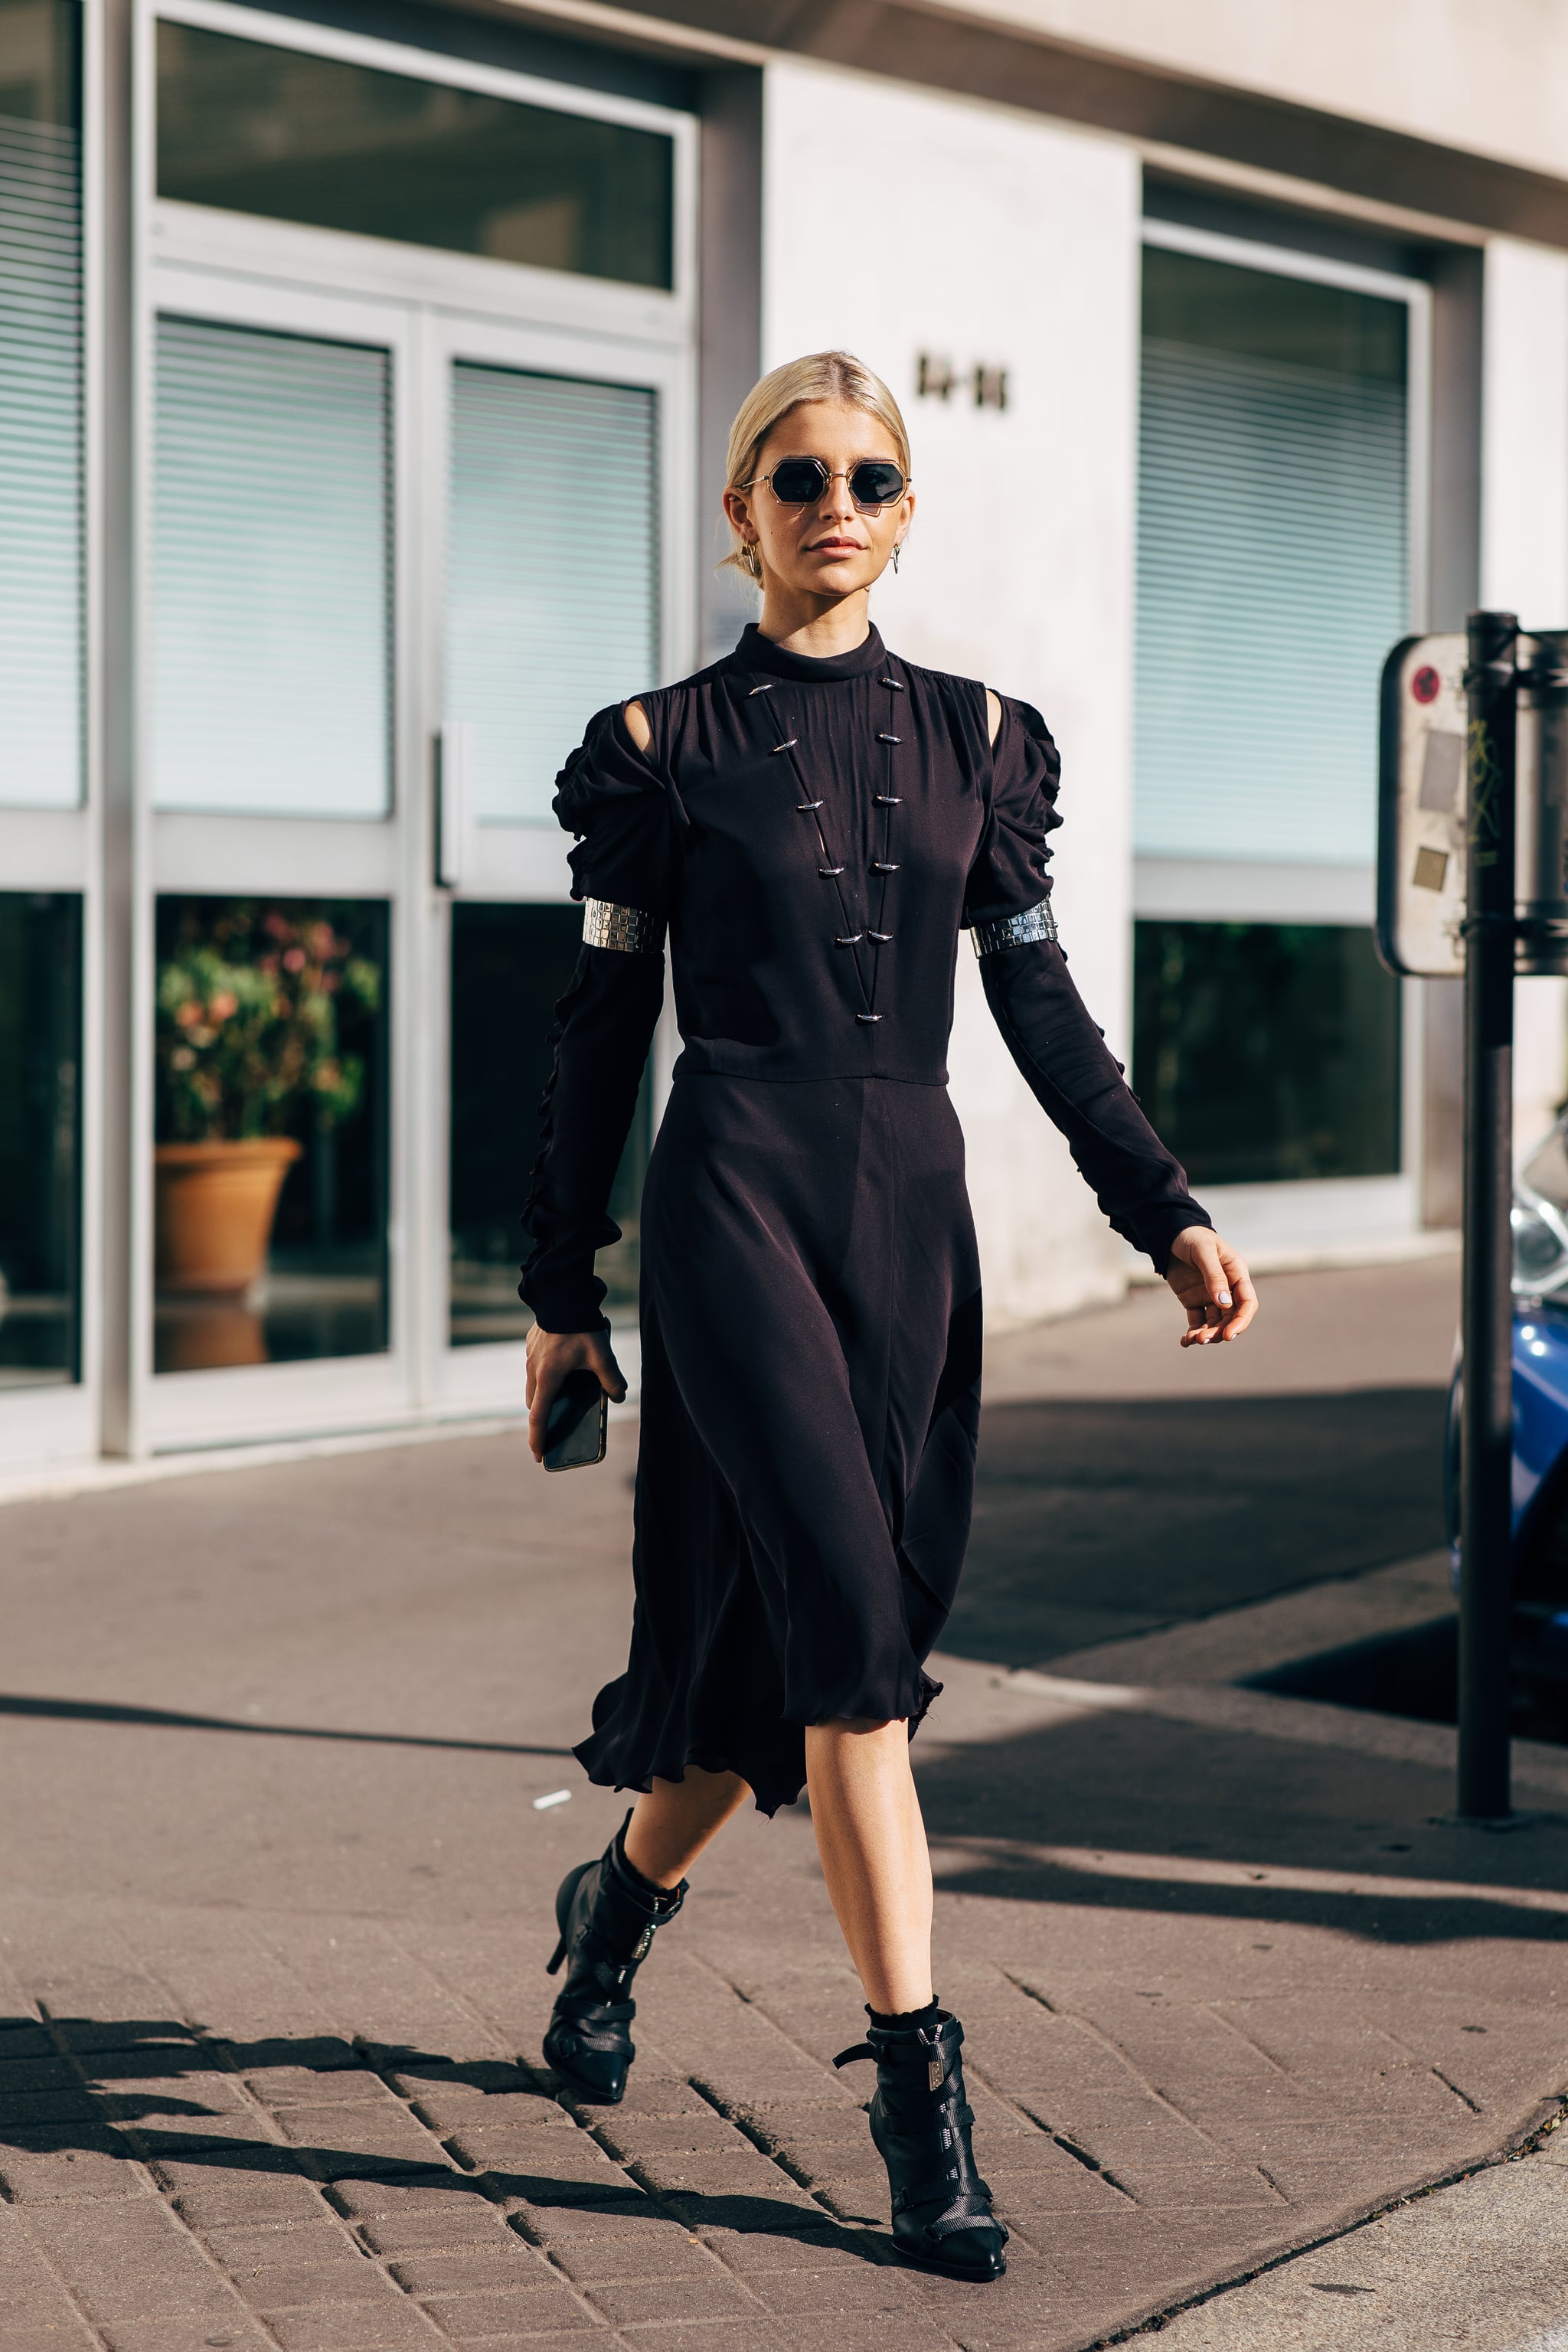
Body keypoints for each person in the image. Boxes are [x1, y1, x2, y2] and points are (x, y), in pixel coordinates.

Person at [520, 350, 1256, 2282]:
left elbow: (1036, 1003)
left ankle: (612, 1911)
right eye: (794, 473)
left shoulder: (984, 737)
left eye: (867, 472)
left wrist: (1155, 1204)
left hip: (909, 1225)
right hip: (734, 1201)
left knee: (800, 1659)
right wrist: (555, 1288)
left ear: (905, 510)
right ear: (739, 513)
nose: (830, 498)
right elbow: (599, 1039)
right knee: (855, 1657)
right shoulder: (654, 747)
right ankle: (920, 2105)